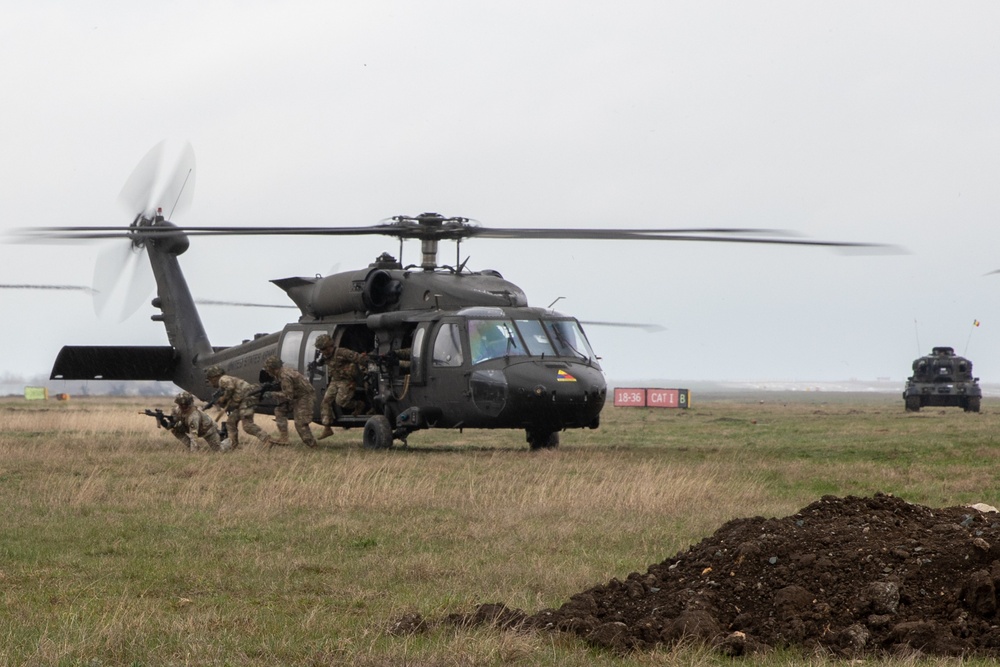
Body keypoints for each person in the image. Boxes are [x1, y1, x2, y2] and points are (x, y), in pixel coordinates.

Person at [205, 364, 275, 449]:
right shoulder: (224, 381)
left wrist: (223, 398)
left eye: (210, 380)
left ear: (214, 377)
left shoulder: (223, 379)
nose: (211, 382)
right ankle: (233, 444)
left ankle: (267, 440)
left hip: (247, 399)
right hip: (244, 401)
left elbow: (230, 387)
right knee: (231, 422)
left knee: (247, 426)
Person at [314, 334, 369, 440]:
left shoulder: (342, 352)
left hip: (346, 381)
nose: (323, 351)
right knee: (325, 401)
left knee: (341, 402)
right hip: (335, 381)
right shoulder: (325, 356)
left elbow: (358, 358)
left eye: (324, 349)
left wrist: (365, 369)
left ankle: (358, 405)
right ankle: (327, 428)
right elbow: (320, 363)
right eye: (321, 350)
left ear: (330, 345)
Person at [263, 355, 318, 448]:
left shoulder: (284, 376)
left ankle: (312, 445)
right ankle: (284, 438)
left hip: (305, 397)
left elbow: (288, 395)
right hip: (297, 396)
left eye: (268, 370)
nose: (268, 372)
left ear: (273, 369)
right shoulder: (281, 373)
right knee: (280, 410)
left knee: (300, 423)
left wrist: (272, 394)